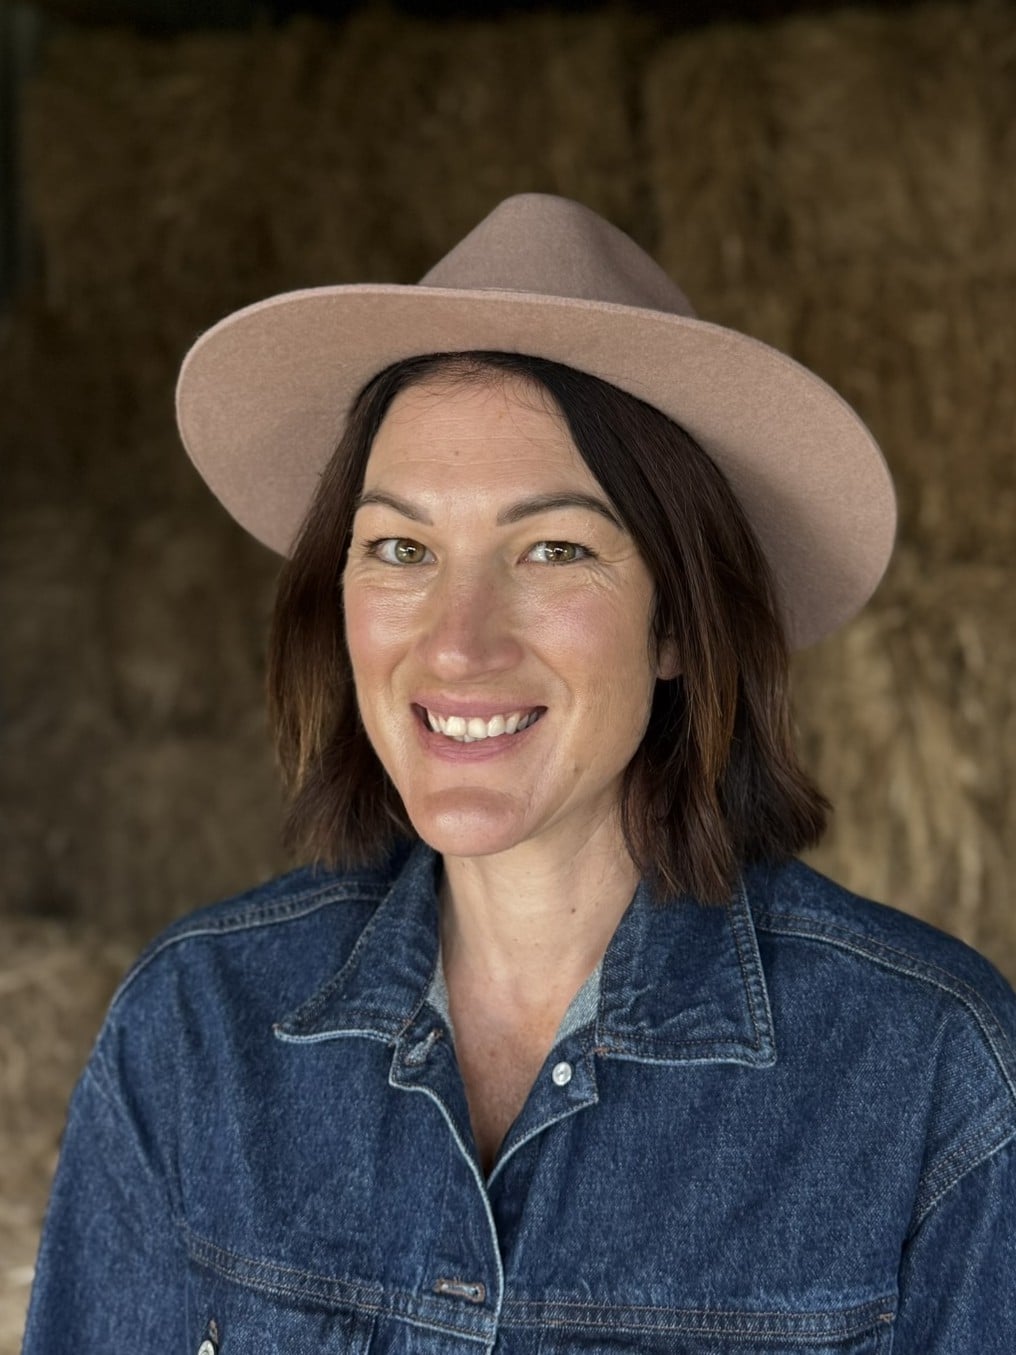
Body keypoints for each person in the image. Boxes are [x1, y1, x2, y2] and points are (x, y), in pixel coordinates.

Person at [24, 194, 1016, 1354]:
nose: (456, 644)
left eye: (551, 549)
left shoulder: (929, 1078)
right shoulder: (198, 1029)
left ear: (677, 624)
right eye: (400, 548)